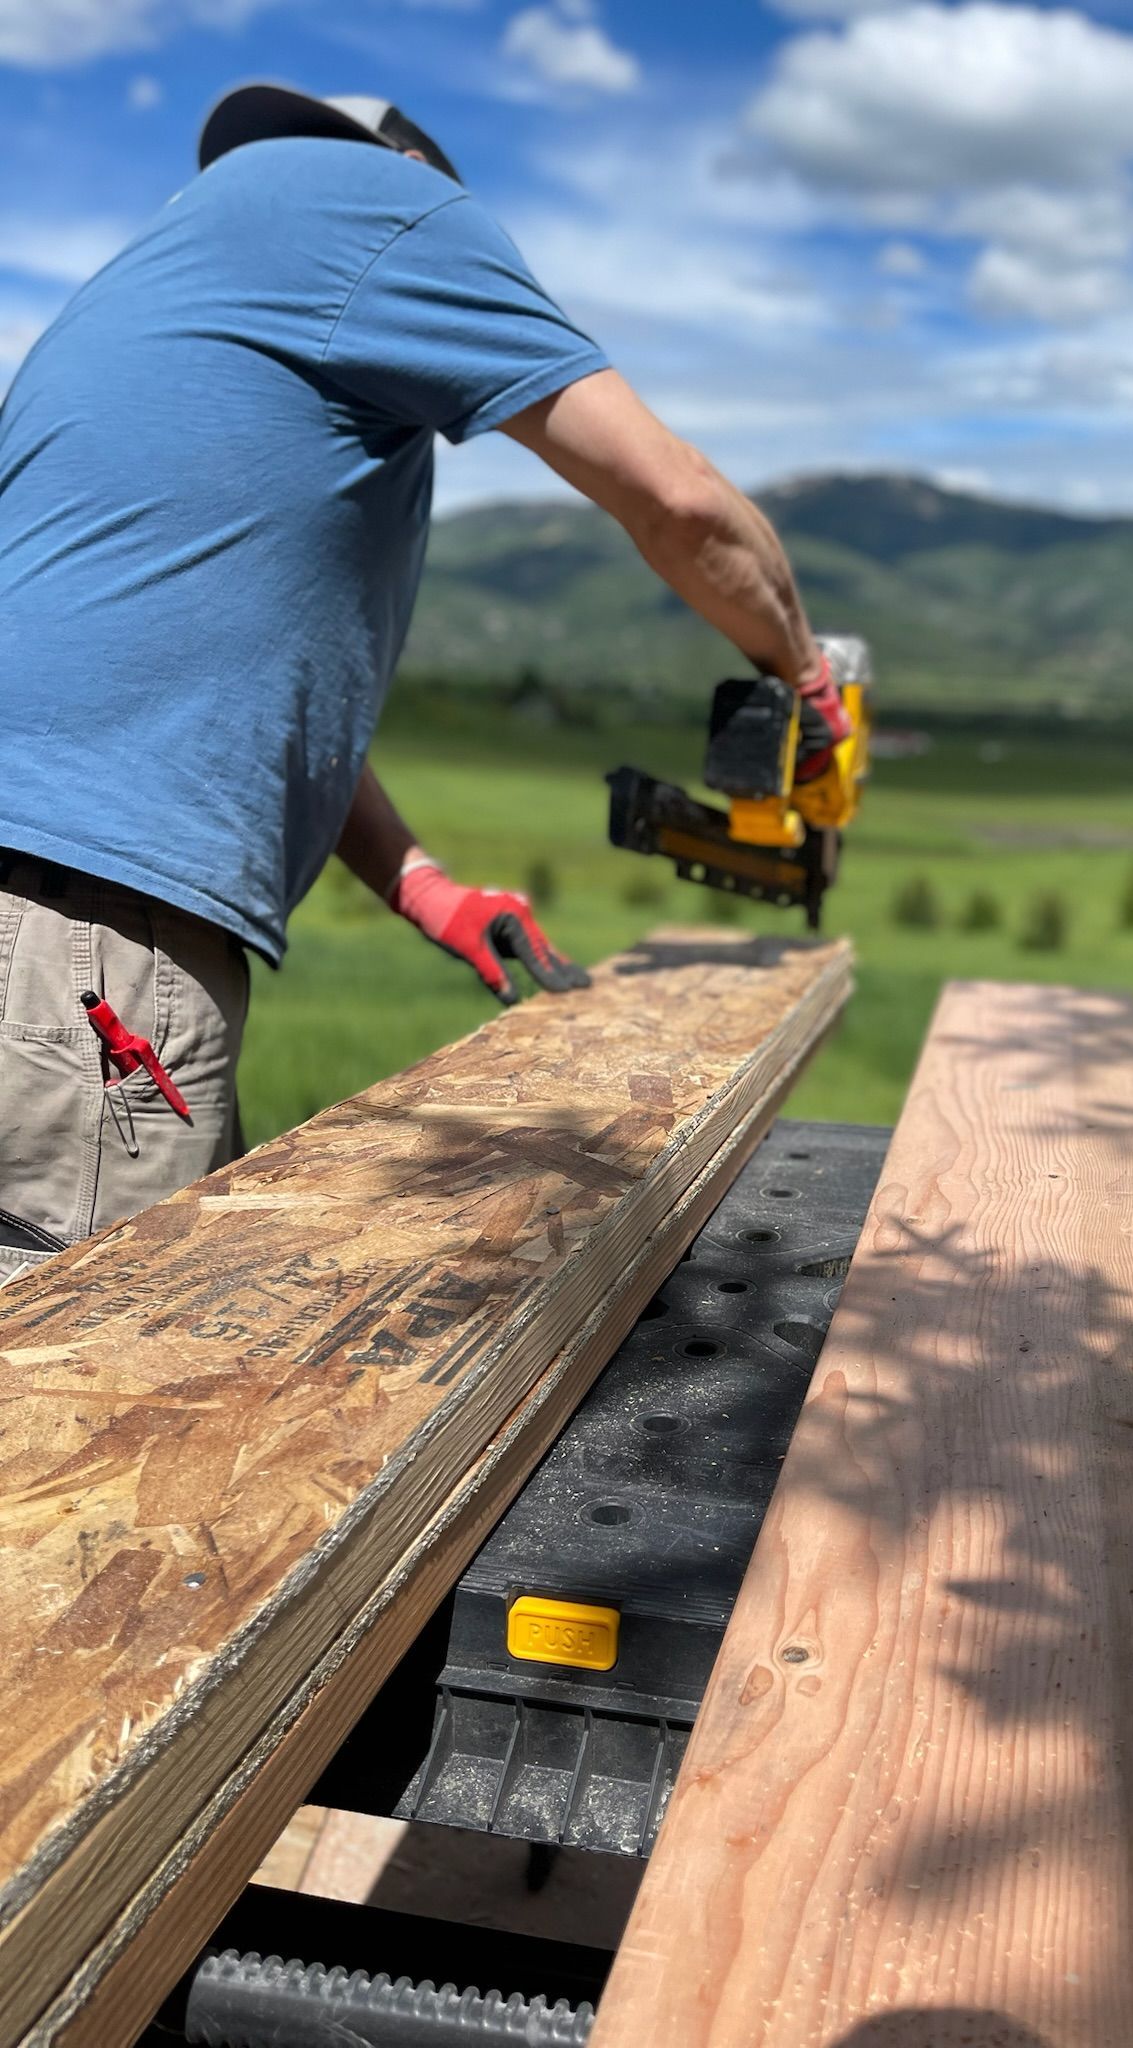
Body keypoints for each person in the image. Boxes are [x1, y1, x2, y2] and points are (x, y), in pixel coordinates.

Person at [0, 85, 846, 1287]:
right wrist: (808, 676)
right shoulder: (390, 205)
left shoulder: (153, 278)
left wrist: (426, 887)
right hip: (85, 930)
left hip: (42, 914)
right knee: (57, 1409)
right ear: (411, 170)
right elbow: (682, 500)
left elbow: (223, 692)